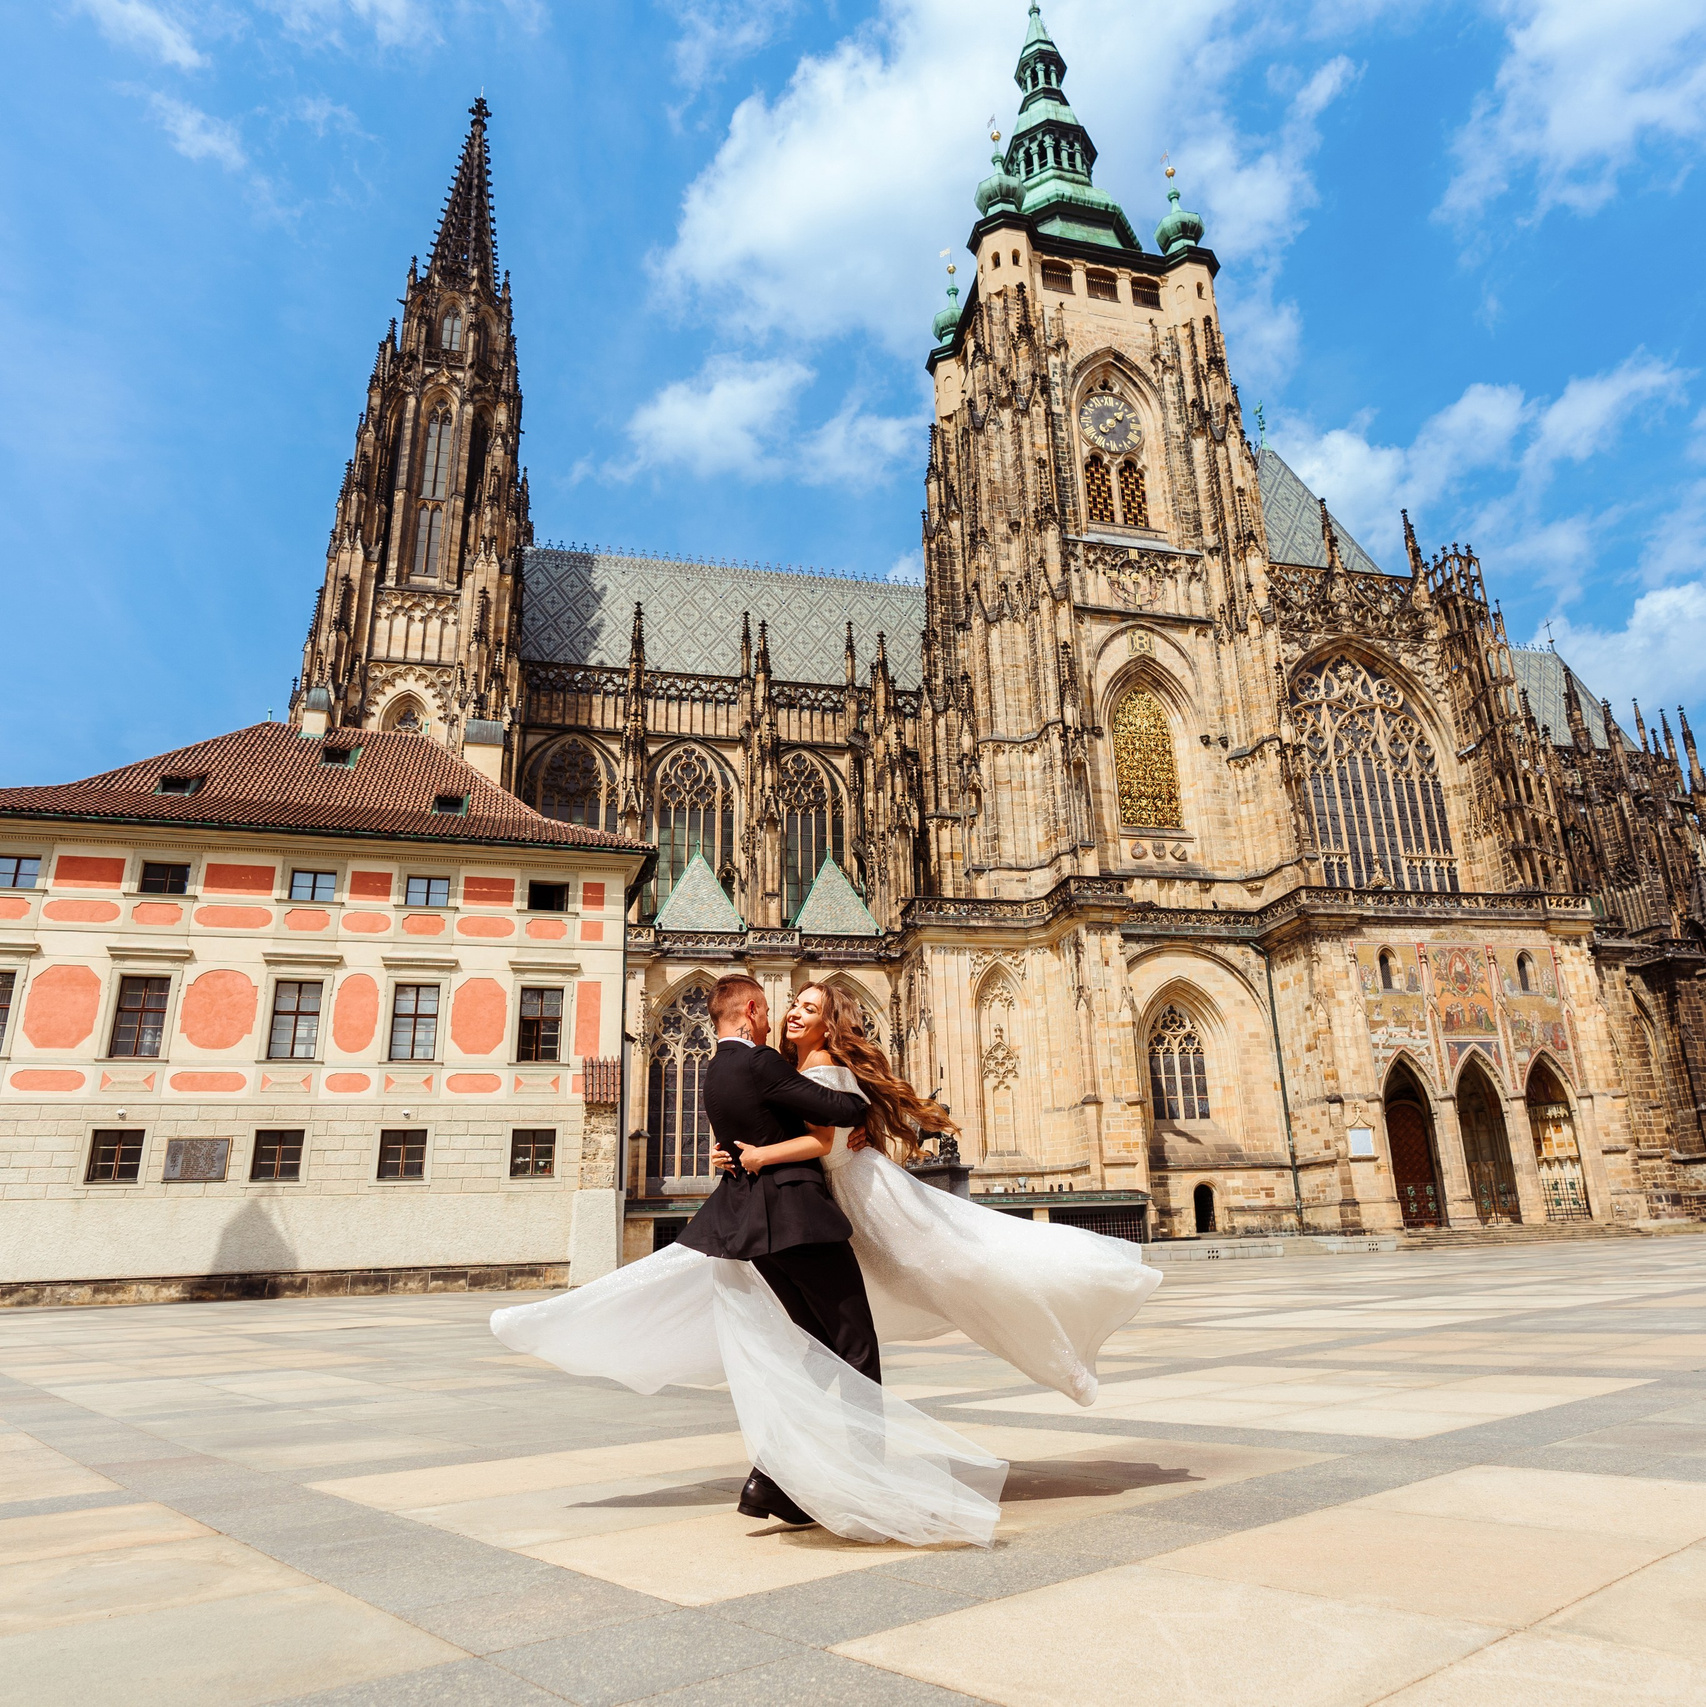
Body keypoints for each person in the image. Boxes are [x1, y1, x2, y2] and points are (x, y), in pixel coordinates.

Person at [490, 981, 1161, 1548]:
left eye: (807, 1007)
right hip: (810, 1214)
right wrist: (749, 1152)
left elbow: (828, 1128)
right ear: (751, 1013)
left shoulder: (748, 1068)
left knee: (957, 1275)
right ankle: (826, 1477)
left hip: (859, 1202)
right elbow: (824, 1123)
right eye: (786, 1005)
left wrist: (753, 1151)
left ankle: (784, 1477)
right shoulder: (767, 1067)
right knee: (846, 1344)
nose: (790, 1012)